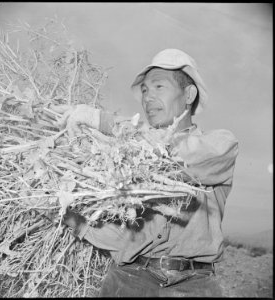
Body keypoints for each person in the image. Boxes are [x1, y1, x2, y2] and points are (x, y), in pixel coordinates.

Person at [50, 49, 239, 297]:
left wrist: (104, 121)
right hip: (127, 280)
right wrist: (70, 214)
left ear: (189, 94)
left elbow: (171, 156)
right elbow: (123, 238)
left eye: (159, 87)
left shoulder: (219, 145)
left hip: (193, 286)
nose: (148, 98)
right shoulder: (126, 159)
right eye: (145, 91)